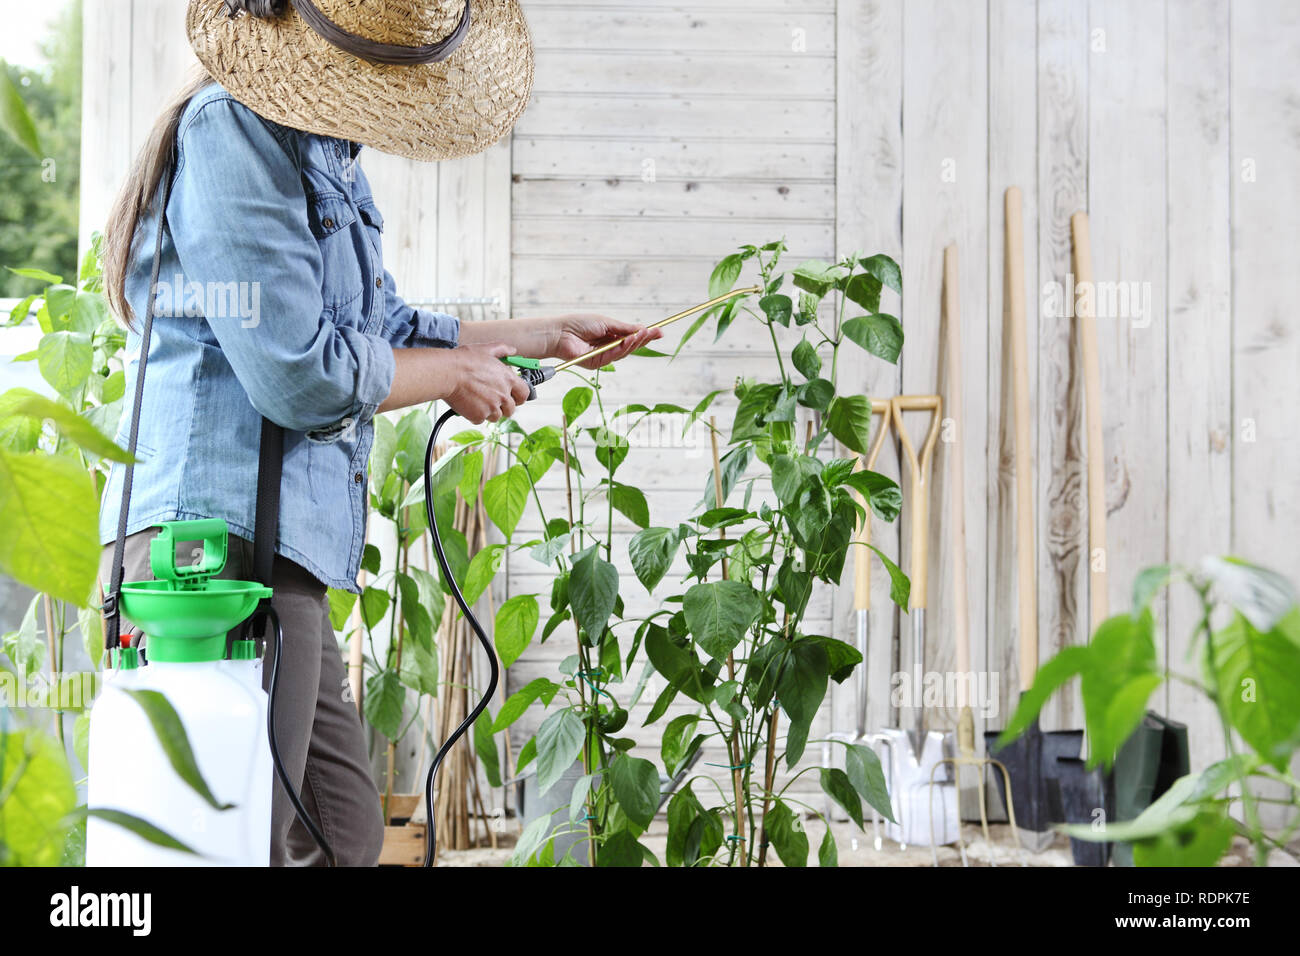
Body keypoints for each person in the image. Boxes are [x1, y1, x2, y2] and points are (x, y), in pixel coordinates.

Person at [96, 0, 660, 866]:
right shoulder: (229, 133)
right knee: (234, 840)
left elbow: (384, 322)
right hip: (209, 550)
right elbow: (296, 369)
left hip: (281, 551)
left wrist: (544, 336)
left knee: (344, 832)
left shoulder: (321, 149)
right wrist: (458, 378)